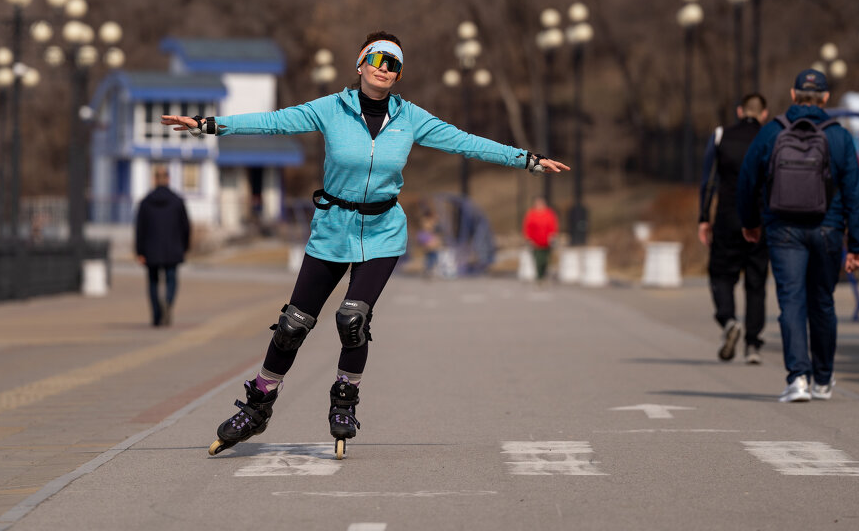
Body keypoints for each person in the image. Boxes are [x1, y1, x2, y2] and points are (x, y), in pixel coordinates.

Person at [161, 31, 569, 459]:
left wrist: (526, 159)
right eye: (376, 59)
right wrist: (209, 125)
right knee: (292, 325)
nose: (383, 68)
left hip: (383, 231)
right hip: (332, 229)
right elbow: (274, 121)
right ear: (360, 65)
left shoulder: (411, 118)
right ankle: (257, 405)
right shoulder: (330, 109)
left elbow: (467, 142)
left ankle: (344, 402)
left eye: (393, 63)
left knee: (352, 319)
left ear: (398, 74)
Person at [737, 69, 859, 403]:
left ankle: (798, 378)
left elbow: (747, 179)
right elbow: (855, 192)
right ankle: (823, 379)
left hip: (783, 230)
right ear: (825, 99)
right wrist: (858, 244)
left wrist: (751, 222)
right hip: (828, 229)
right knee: (823, 302)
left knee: (791, 302)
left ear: (794, 95)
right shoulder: (838, 137)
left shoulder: (772, 132)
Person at [698, 93, 770, 364]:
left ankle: (729, 321)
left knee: (721, 275)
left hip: (728, 218)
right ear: (764, 114)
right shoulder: (770, 136)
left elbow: (709, 181)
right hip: (761, 220)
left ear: (740, 111)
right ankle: (753, 344)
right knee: (756, 281)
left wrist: (704, 218)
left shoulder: (720, 136)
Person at [134, 164, 191, 327]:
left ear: (154, 180)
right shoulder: (177, 201)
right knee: (171, 279)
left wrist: (140, 251)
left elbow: (140, 228)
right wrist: (184, 246)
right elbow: (185, 226)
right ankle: (168, 301)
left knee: (153, 282)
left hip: (151, 250)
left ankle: (157, 315)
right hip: (173, 248)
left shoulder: (145, 202)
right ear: (168, 179)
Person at [521, 196, 559, 286]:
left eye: (541, 203)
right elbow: (527, 227)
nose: (539, 205)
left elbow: (553, 226)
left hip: (546, 242)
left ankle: (543, 275)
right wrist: (528, 238)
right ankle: (539, 278)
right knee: (538, 260)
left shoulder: (549, 213)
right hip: (535, 242)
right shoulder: (531, 214)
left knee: (545, 260)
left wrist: (553, 236)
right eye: (538, 203)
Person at [416, 207, 443, 278]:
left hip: (429, 241)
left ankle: (429, 271)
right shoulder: (426, 221)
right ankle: (429, 271)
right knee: (431, 258)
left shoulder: (427, 221)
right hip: (428, 241)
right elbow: (428, 229)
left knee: (432, 257)